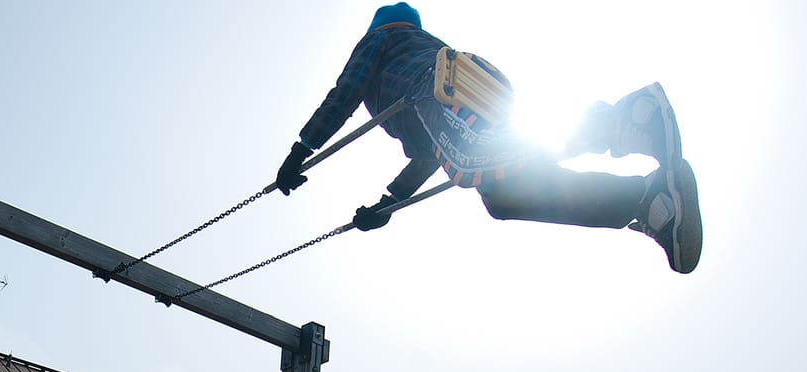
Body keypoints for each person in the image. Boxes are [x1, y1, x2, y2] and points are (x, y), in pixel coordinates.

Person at [275, 3, 702, 274]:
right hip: (471, 91)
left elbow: (344, 94)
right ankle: (648, 200)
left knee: (496, 158)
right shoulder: (422, 48)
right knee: (504, 194)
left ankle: (626, 119)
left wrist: (302, 150)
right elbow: (429, 154)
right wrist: (389, 203)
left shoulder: (382, 41)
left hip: (439, 90)